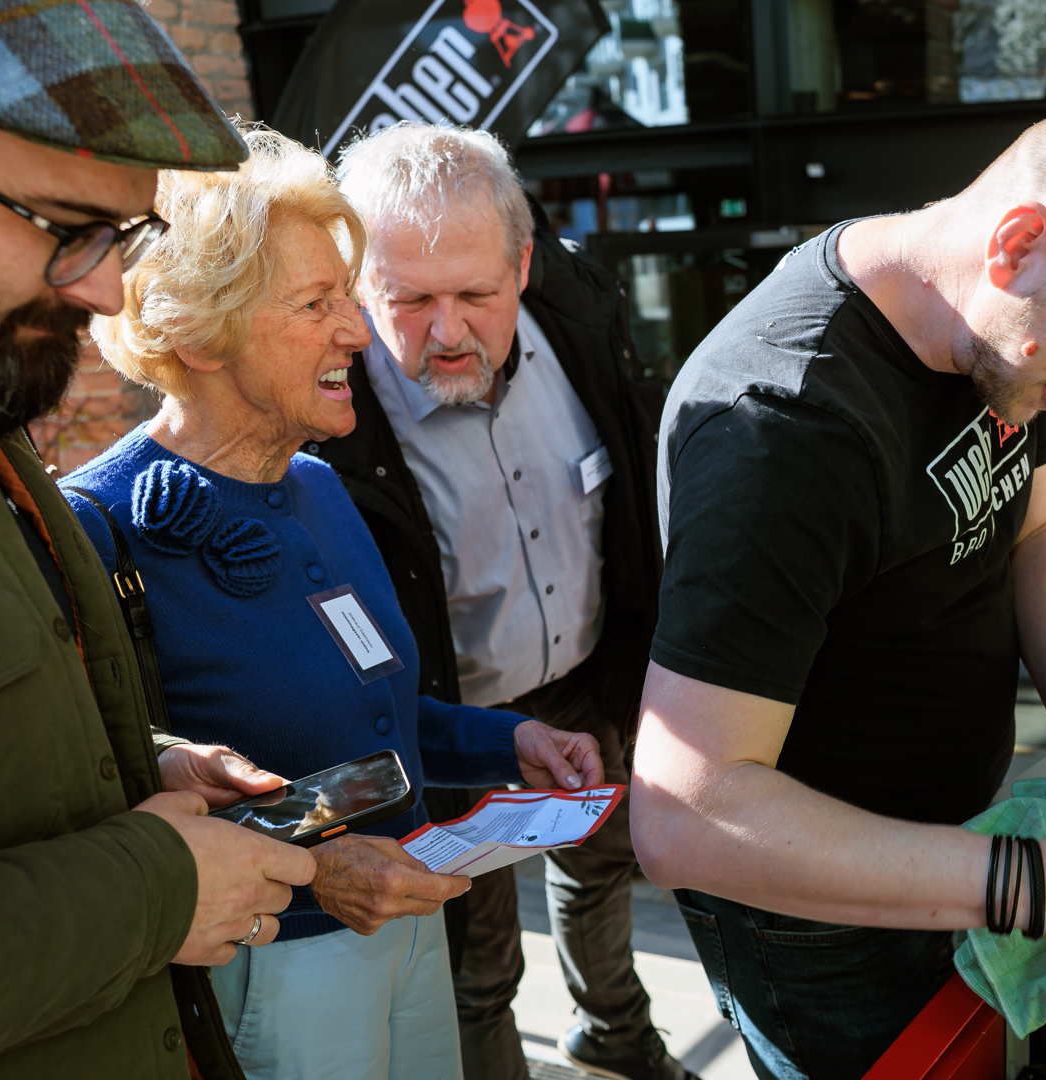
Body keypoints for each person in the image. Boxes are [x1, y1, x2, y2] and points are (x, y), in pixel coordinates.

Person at [632, 91, 1046, 1077]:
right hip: (818, 927)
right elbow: (681, 816)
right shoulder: (781, 427)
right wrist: (1027, 883)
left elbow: (1040, 525)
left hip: (961, 857)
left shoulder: (993, 335)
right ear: (1018, 244)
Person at [63, 125, 605, 1080]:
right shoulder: (94, 526)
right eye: (317, 304)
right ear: (199, 330)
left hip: (406, 923)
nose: (358, 331)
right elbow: (90, 802)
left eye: (347, 297)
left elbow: (373, 719)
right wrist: (317, 868)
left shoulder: (319, 485)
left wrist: (506, 742)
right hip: (266, 963)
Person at [0, 3, 319, 1078]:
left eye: (123, 236)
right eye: (61, 223)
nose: (104, 290)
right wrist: (155, 889)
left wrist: (139, 766)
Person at [320, 123, 683, 1080]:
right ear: (360, 286)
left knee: (601, 870)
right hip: (453, 726)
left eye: (477, 296)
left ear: (523, 267)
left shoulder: (582, 318)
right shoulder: (332, 417)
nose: (448, 333)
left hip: (591, 685)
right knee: (477, 965)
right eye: (410, 301)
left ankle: (614, 1034)